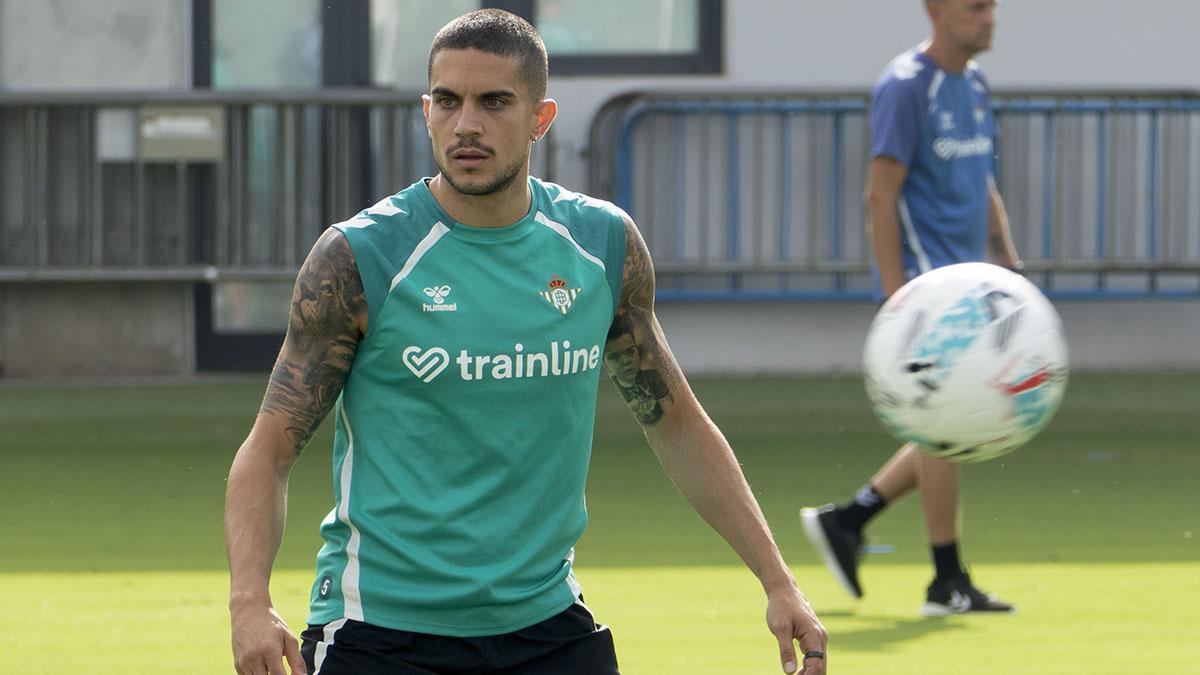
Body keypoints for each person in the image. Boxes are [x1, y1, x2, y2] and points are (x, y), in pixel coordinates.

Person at [225, 9, 827, 675]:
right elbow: (271, 446)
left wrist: (779, 581)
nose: (467, 125)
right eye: (448, 102)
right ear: (427, 111)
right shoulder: (361, 256)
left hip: (547, 628)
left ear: (540, 118)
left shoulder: (601, 245)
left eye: (494, 102)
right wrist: (249, 600)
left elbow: (678, 423)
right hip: (382, 633)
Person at [800, 0, 1022, 617]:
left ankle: (850, 518)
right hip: (928, 293)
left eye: (992, 7)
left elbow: (982, 180)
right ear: (936, 10)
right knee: (948, 426)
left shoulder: (973, 84)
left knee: (947, 425)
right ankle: (945, 582)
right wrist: (898, 298)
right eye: (976, 8)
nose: (990, 18)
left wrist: (1007, 257)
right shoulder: (905, 88)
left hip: (971, 287)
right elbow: (880, 194)